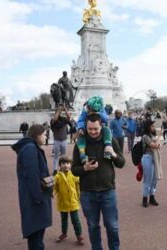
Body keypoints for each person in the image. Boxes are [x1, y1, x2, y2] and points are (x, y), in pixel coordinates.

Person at [71, 113, 125, 250]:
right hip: (88, 192)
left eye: (96, 128)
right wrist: (85, 167)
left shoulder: (110, 140)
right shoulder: (80, 144)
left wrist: (113, 154)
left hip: (108, 191)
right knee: (93, 226)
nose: (93, 132)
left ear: (101, 126)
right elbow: (73, 170)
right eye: (90, 129)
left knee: (112, 226)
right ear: (86, 127)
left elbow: (121, 163)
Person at [12, 124, 52, 250]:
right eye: (45, 134)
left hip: (34, 195)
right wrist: (38, 197)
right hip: (34, 197)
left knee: (36, 233)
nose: (46, 137)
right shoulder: (30, 149)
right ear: (37, 134)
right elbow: (32, 175)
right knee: (36, 235)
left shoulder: (30, 147)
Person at [54, 155, 84, 244]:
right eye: (63, 163)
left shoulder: (74, 175)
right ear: (60, 165)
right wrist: (51, 192)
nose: (66, 165)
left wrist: (79, 196)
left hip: (73, 201)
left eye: (68, 163)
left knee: (75, 220)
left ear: (71, 165)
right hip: (62, 202)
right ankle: (64, 233)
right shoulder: (57, 176)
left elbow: (78, 186)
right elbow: (55, 187)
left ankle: (79, 235)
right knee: (64, 220)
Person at [76, 96, 115, 162]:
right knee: (81, 136)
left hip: (100, 130)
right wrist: (80, 128)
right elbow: (81, 120)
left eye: (93, 109)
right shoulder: (85, 111)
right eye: (90, 109)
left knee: (107, 130)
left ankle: (108, 148)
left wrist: (98, 114)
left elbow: (105, 119)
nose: (90, 111)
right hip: (86, 129)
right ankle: (82, 154)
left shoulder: (101, 110)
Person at [141, 119, 163, 207]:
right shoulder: (145, 136)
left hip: (155, 158)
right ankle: (145, 198)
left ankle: (152, 197)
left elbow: (159, 145)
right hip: (148, 157)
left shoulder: (153, 135)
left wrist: (158, 139)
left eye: (154, 126)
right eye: (152, 126)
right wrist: (160, 136)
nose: (154, 127)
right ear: (148, 127)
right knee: (148, 179)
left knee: (154, 179)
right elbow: (154, 146)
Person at [51, 104, 71, 175]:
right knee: (56, 156)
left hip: (64, 140)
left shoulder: (64, 119)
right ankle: (55, 170)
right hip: (57, 140)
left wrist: (65, 109)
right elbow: (55, 119)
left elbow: (69, 117)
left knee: (63, 156)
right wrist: (59, 110)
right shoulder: (53, 121)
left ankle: (63, 168)